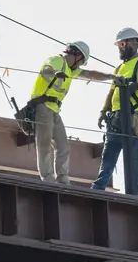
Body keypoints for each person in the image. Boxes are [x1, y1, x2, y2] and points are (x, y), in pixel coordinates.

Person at [92, 27, 138, 197]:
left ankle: (134, 194)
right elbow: (112, 92)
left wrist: (137, 86)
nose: (120, 48)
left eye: (123, 44)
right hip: (116, 118)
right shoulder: (119, 68)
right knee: (109, 155)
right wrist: (104, 111)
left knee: (135, 160)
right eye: (119, 44)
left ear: (134, 43)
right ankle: (98, 188)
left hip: (134, 119)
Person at [25, 40, 106, 184]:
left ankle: (62, 178)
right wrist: (56, 74)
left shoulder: (71, 70)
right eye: (81, 61)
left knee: (63, 145)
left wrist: (111, 78)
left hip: (54, 109)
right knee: (44, 144)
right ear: (77, 56)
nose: (80, 65)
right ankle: (47, 178)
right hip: (43, 106)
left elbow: (90, 74)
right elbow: (46, 70)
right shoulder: (58, 60)